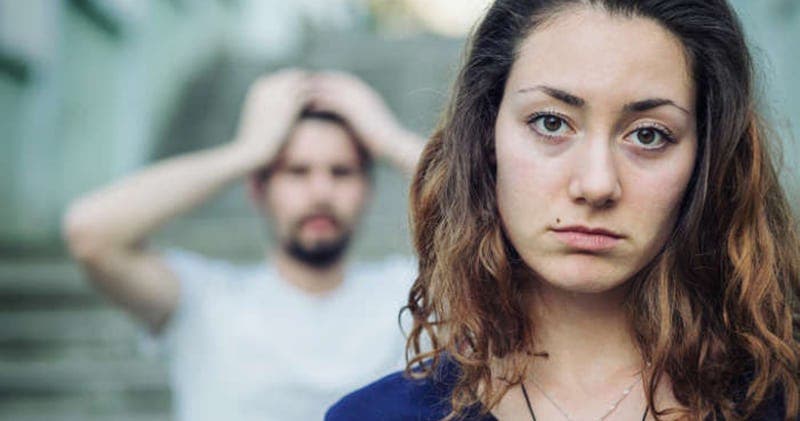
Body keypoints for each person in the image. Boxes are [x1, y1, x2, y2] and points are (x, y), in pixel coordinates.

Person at [326, 0, 800, 420]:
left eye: (648, 134)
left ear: (706, 159)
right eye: (551, 123)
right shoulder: (373, 416)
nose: (596, 184)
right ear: (486, 137)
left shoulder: (782, 402)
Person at [63, 69, 424, 421]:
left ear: (368, 189)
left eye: (341, 172)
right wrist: (248, 150)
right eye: (296, 171)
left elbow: (466, 205)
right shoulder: (204, 298)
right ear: (257, 188)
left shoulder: (408, 296)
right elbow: (90, 231)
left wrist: (388, 138)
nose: (321, 192)